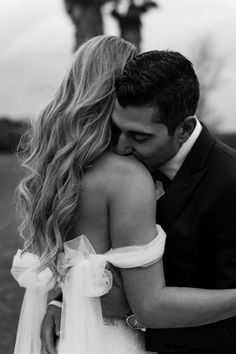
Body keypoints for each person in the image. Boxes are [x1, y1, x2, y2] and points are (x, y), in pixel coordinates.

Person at [13, 36, 236, 354]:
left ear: (183, 130)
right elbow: (94, 256)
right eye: (122, 130)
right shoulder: (123, 173)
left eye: (139, 136)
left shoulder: (228, 181)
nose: (123, 146)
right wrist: (67, 304)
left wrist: (119, 319)